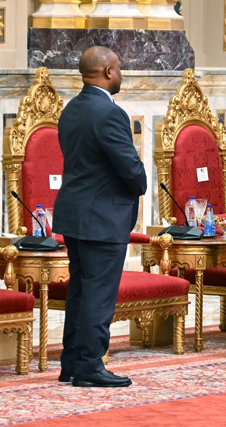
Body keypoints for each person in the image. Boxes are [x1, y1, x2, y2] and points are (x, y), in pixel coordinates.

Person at [53, 46, 147, 387]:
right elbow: (129, 167)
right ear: (108, 72)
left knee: (80, 290)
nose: (120, 74)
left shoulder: (71, 109)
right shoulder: (109, 113)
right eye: (119, 68)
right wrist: (141, 180)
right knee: (99, 294)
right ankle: (90, 365)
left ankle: (72, 362)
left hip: (76, 213)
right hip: (102, 217)